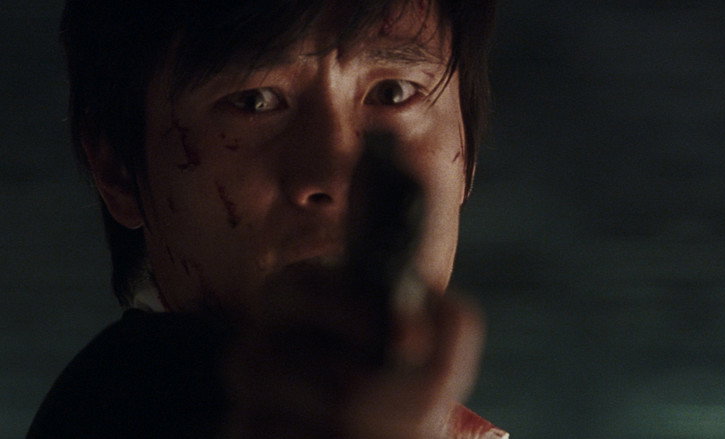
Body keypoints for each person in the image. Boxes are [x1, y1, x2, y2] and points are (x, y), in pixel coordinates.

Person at [28, 0, 504, 437]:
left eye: (394, 92)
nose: (337, 176)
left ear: (468, 153)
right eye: (253, 101)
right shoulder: (124, 408)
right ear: (117, 170)